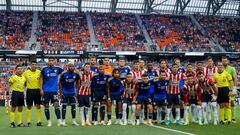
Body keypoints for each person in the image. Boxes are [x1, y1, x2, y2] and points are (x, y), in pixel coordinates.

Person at [40, 57, 63, 127]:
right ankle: (49, 121)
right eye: (50, 61)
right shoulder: (44, 69)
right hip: (46, 91)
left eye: (52, 61)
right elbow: (41, 79)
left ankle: (59, 121)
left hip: (54, 91)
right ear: (48, 62)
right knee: (46, 106)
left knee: (56, 105)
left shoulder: (58, 69)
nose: (51, 62)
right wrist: (41, 89)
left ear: (55, 61)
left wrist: (60, 89)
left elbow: (64, 73)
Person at [59, 62, 80, 126]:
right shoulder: (64, 74)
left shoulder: (76, 74)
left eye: (72, 66)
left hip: (72, 93)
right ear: (67, 67)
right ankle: (63, 121)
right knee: (64, 106)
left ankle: (73, 121)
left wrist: (76, 90)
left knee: (73, 107)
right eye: (70, 66)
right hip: (65, 92)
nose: (71, 67)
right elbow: (60, 83)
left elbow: (78, 82)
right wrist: (60, 91)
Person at [23, 61, 42, 127]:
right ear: (30, 65)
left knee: (38, 105)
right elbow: (22, 81)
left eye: (35, 64)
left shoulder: (39, 72)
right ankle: (28, 122)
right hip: (29, 91)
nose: (34, 66)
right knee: (29, 106)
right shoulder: (26, 73)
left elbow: (42, 81)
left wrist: (42, 90)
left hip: (37, 90)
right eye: (33, 64)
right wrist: (23, 90)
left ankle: (39, 121)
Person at [222, 56, 238, 123]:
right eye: (223, 61)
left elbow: (235, 79)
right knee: (224, 103)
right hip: (223, 88)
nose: (224, 62)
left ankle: (233, 117)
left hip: (231, 88)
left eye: (225, 61)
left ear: (228, 61)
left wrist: (234, 88)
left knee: (232, 103)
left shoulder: (232, 69)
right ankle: (225, 117)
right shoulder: (220, 68)